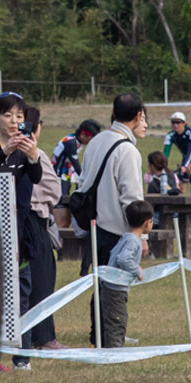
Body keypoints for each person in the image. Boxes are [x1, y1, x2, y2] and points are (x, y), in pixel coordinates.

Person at [0, 92, 48, 369]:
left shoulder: (24, 148)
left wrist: (33, 155)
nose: (14, 121)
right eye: (7, 115)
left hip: (18, 233)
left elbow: (36, 177)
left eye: (19, 116)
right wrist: (5, 153)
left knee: (22, 294)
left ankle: (22, 358)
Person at [76, 93, 148, 305]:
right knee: (114, 294)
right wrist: (141, 235)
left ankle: (97, 327)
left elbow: (83, 181)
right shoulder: (128, 150)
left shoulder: (96, 141)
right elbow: (132, 199)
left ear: (114, 113)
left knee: (100, 290)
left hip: (95, 227)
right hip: (118, 231)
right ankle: (109, 327)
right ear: (138, 116)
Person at [19, 105, 66, 351]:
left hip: (14, 220)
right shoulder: (37, 154)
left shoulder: (5, 152)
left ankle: (32, 334)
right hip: (34, 221)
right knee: (42, 280)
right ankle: (45, 337)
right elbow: (54, 191)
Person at [97, 199, 153, 349]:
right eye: (151, 221)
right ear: (146, 223)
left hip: (112, 289)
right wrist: (137, 270)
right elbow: (123, 259)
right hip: (115, 291)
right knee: (117, 322)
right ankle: (115, 353)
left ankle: (113, 349)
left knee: (115, 321)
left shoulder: (126, 237)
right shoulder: (133, 241)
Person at [54, 120, 101, 185]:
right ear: (82, 135)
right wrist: (85, 179)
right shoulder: (71, 143)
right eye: (91, 139)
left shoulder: (75, 139)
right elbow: (75, 164)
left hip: (66, 173)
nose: (92, 142)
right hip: (58, 176)